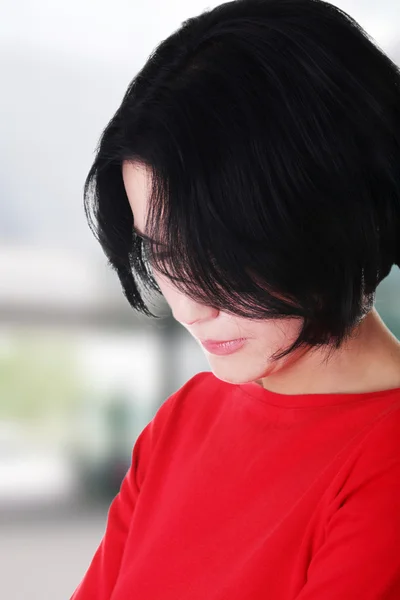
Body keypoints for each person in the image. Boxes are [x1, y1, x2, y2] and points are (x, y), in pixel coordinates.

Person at [70, 0, 400, 598]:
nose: (190, 306)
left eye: (223, 255)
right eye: (162, 256)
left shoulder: (385, 462)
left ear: (335, 214)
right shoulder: (183, 421)